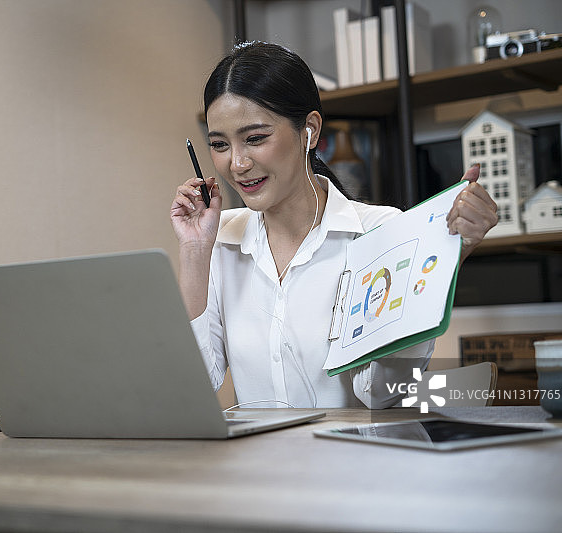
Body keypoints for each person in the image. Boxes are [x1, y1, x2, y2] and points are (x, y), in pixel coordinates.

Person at [170, 42, 498, 409]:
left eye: (255, 138)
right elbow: (195, 385)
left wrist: (448, 259)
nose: (237, 163)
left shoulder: (382, 232)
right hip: (261, 465)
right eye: (219, 144)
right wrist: (195, 252)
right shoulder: (220, 240)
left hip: (357, 463)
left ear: (309, 130)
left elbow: (379, 393)